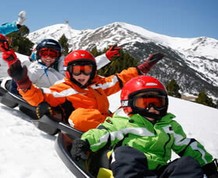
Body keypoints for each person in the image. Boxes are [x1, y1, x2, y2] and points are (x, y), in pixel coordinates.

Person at [70, 75, 218, 178]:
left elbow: (187, 146)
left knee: (187, 164)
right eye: (144, 104)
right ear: (129, 104)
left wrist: (209, 165)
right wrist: (85, 142)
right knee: (127, 153)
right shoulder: (124, 122)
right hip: (124, 168)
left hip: (158, 170)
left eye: (157, 103)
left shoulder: (169, 126)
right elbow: (103, 132)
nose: (152, 108)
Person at [2, 47, 164, 131]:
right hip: (86, 122)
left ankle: (141, 130)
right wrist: (23, 83)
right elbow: (39, 97)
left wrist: (142, 68)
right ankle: (120, 131)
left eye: (86, 70)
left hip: (108, 119)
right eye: (76, 71)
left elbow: (119, 79)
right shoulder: (64, 88)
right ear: (69, 72)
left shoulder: (98, 83)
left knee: (130, 108)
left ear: (93, 71)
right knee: (81, 117)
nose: (81, 75)